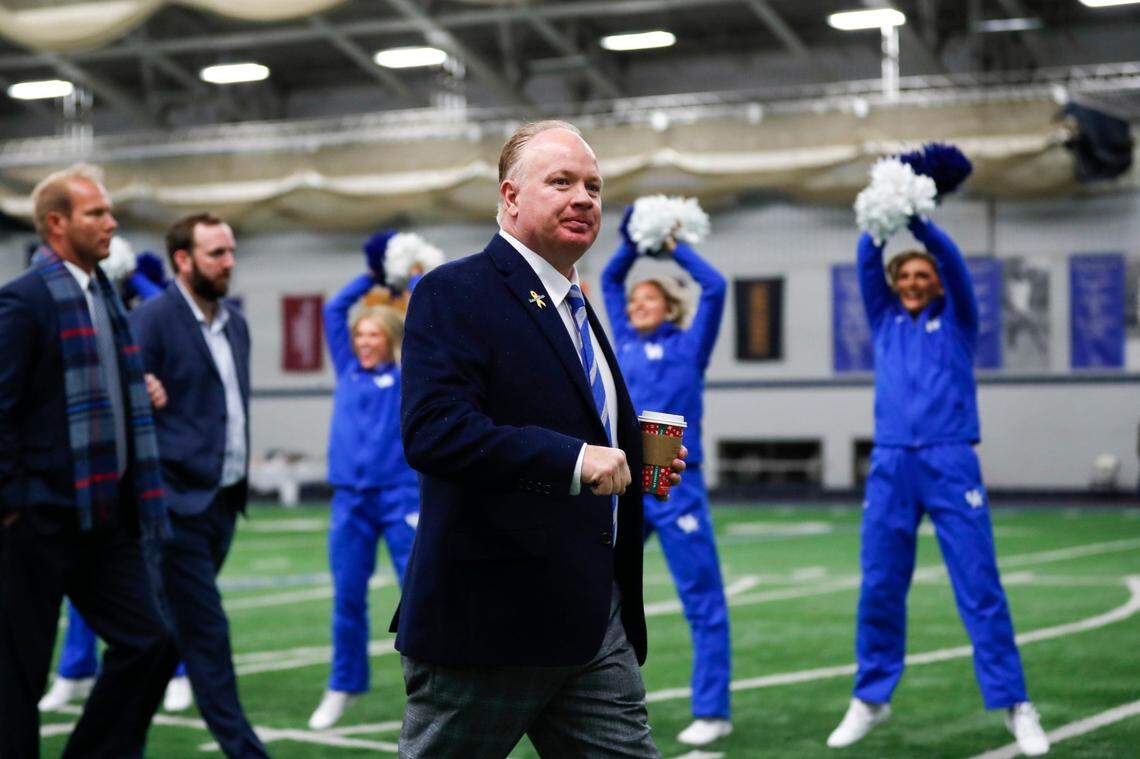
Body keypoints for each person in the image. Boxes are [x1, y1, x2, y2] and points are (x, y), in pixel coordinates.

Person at [392, 120, 686, 757]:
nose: (584, 198)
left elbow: (562, 412)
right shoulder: (454, 290)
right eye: (561, 182)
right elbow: (436, 431)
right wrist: (577, 460)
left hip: (591, 620)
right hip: (490, 625)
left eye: (594, 187)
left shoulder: (574, 302)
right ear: (510, 196)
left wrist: (633, 450)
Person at [826, 217, 1049, 756]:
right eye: (905, 275)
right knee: (880, 584)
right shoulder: (884, 320)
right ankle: (871, 698)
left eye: (924, 274)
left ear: (939, 282)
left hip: (951, 462)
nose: (914, 282)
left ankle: (1014, 704)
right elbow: (865, 262)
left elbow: (951, 262)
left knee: (980, 587)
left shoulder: (958, 321)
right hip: (891, 461)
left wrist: (919, 221)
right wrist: (883, 221)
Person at [0, 163, 178, 758]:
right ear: (57, 223)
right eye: (96, 212)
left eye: (108, 211)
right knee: (16, 677)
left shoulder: (103, 293)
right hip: (35, 522)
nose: (112, 222)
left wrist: (139, 393)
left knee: (151, 642)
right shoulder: (23, 302)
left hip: (104, 517)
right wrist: (13, 506)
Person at [129, 212, 268, 758]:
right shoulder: (151, 322)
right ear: (182, 260)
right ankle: (247, 752)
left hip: (221, 503)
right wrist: (138, 389)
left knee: (164, 640)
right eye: (217, 254)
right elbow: (128, 405)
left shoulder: (235, 323)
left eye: (231, 251)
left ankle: (111, 743)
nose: (229, 263)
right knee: (206, 635)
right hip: (173, 507)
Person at [40, 248, 193, 715]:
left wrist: (131, 276)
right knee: (85, 588)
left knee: (155, 584)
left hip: (143, 476)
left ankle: (178, 672)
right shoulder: (76, 319)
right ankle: (74, 670)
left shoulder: (144, 317)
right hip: (94, 473)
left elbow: (169, 302)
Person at [601, 215, 732, 747]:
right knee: (601, 587)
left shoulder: (689, 346)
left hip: (678, 485)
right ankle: (595, 697)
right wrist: (633, 243)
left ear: (670, 306)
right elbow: (610, 281)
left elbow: (716, 286)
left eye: (648, 300)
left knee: (702, 597)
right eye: (634, 303)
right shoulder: (624, 343)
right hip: (627, 483)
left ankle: (713, 710)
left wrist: (672, 247)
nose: (636, 306)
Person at [308, 268, 419, 730]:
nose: (365, 341)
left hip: (401, 498)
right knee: (347, 597)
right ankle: (344, 684)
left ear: (390, 337)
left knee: (418, 597)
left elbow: (428, 324)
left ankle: (431, 685)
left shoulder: (407, 372)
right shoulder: (349, 368)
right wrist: (374, 276)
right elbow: (334, 308)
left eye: (374, 334)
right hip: (350, 501)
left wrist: (410, 284)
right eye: (361, 334)